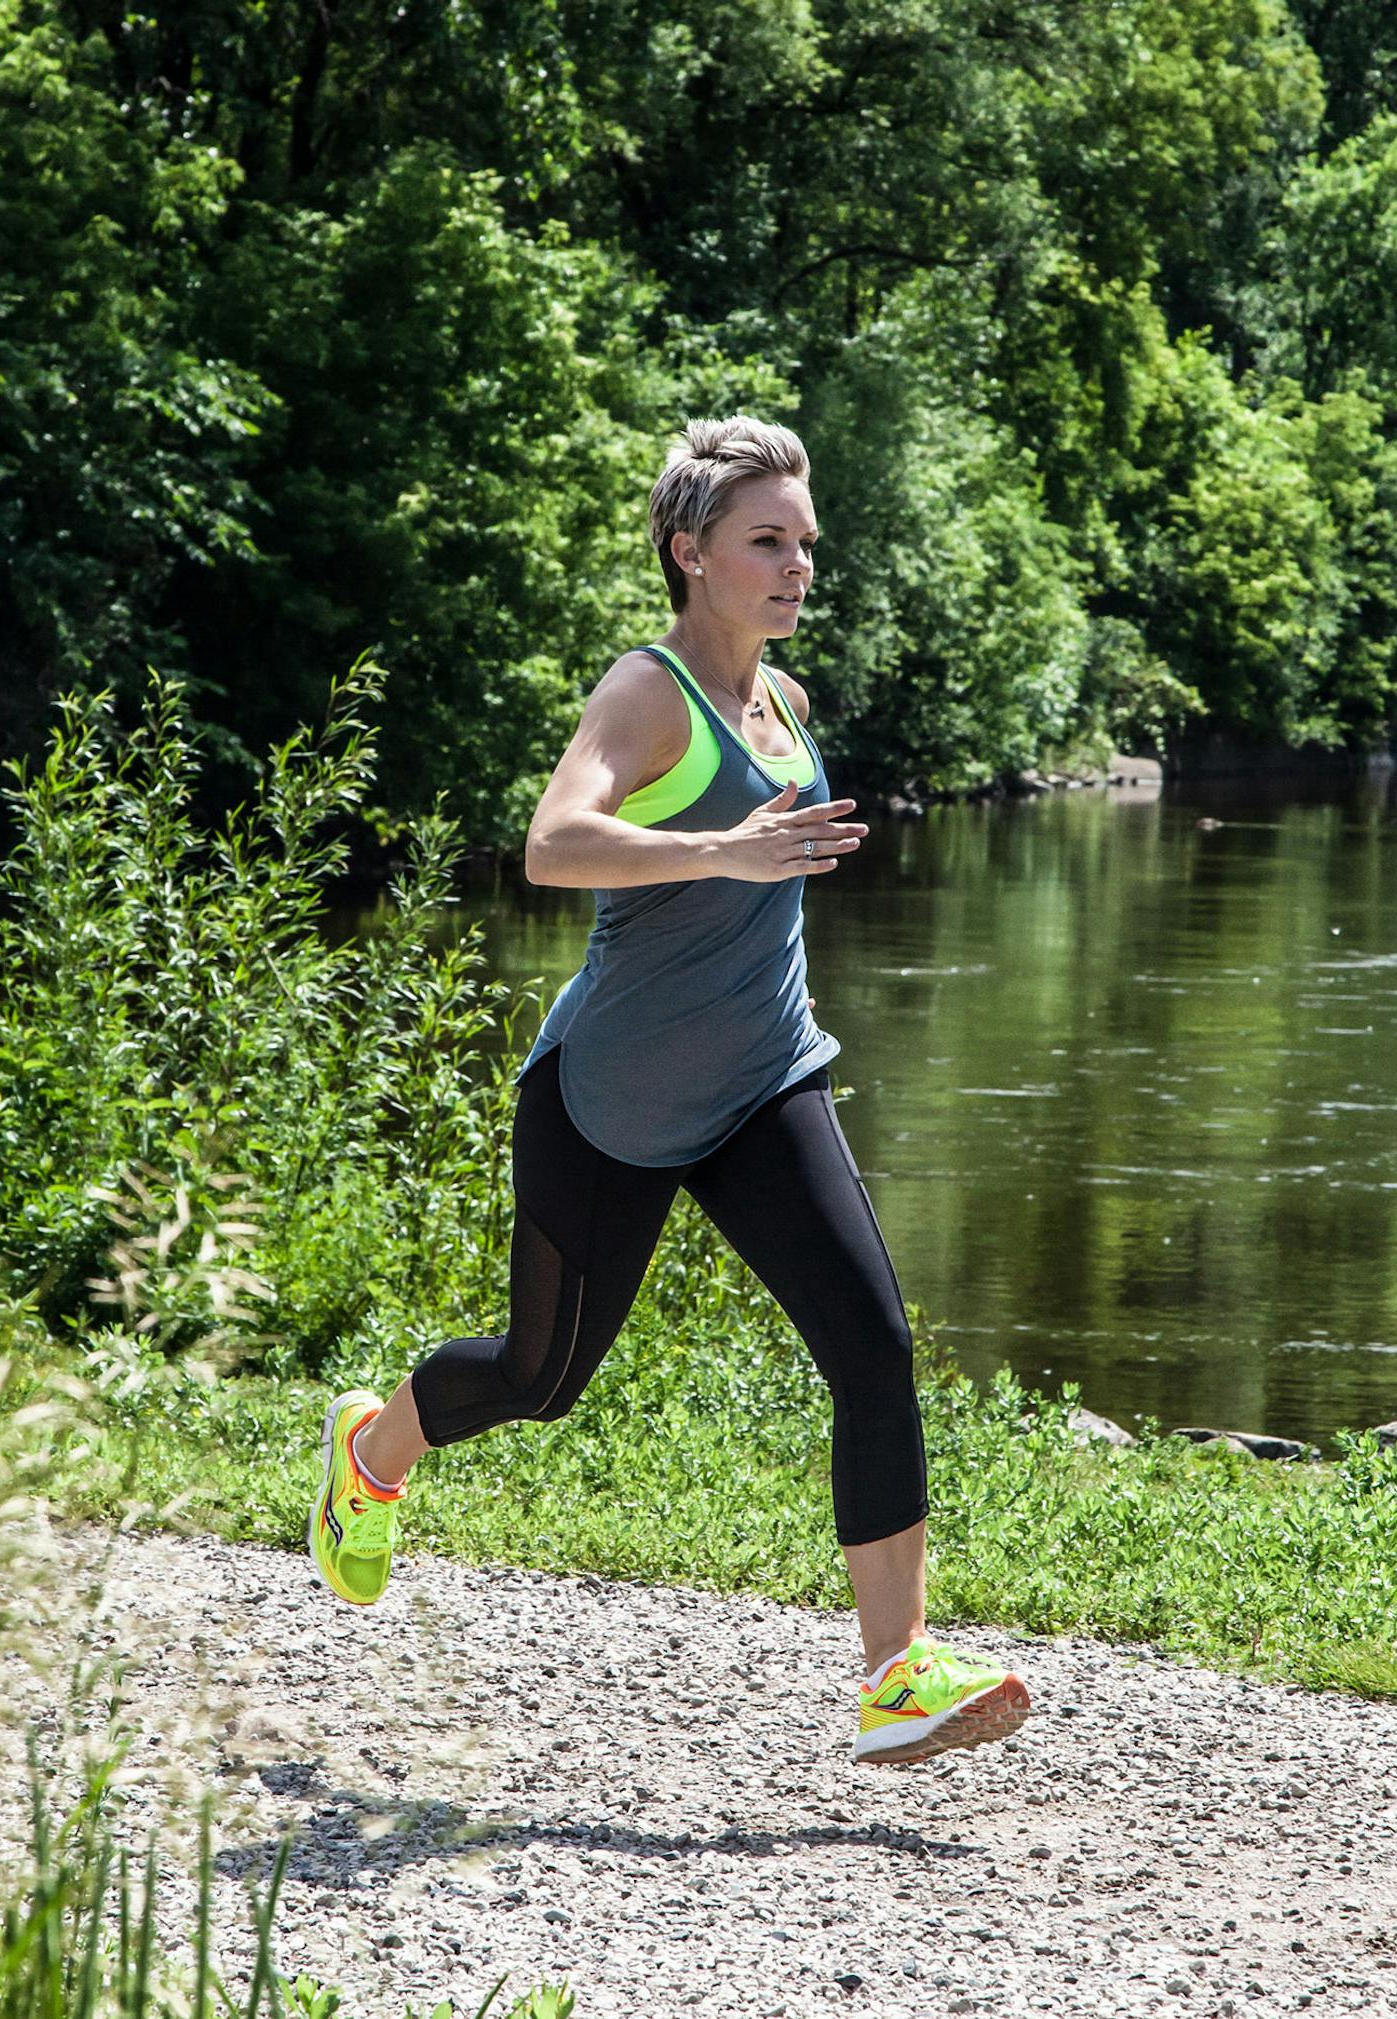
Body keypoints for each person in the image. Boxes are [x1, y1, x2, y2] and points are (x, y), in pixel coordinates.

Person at [307, 416, 1032, 1767]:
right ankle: (375, 1448)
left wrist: (751, 867)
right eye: (769, 540)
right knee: (539, 1377)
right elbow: (550, 845)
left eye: (807, 542)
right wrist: (726, 851)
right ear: (693, 553)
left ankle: (894, 1674)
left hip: (765, 1085)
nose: (798, 564)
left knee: (873, 1350)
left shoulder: (788, 704)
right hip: (612, 1102)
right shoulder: (646, 694)